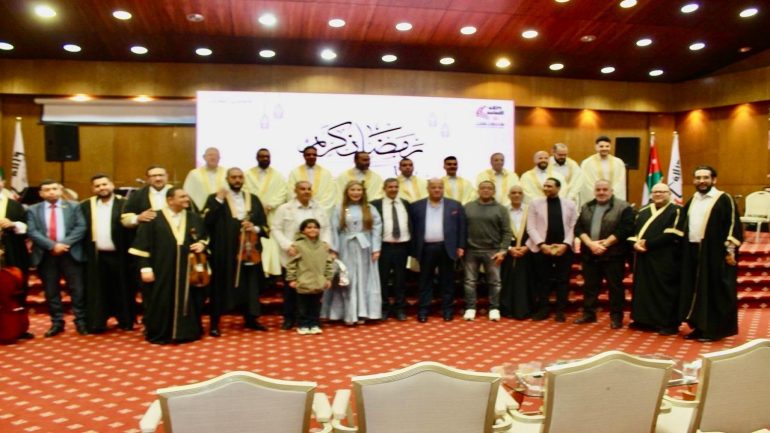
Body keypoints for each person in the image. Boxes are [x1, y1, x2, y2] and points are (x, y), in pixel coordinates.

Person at [129, 187, 207, 344]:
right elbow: (141, 246)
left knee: (189, 300)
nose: (187, 199)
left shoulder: (194, 217)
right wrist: (145, 267)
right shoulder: (153, 218)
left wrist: (201, 244)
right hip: (161, 269)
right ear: (170, 200)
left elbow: (204, 237)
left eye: (187, 196)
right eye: (182, 197)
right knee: (160, 300)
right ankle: (161, 333)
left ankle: (186, 332)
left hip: (188, 270)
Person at [679, 165, 743, 342]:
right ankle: (698, 327)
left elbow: (733, 225)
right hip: (693, 251)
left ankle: (714, 331)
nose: (701, 181)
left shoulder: (724, 198)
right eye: (698, 178)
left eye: (705, 178)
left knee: (714, 292)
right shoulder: (692, 200)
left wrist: (730, 251)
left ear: (714, 180)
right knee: (697, 291)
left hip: (715, 254)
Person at [204, 168, 269, 336]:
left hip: (248, 250)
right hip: (224, 249)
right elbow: (207, 221)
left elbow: (264, 226)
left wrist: (253, 227)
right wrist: (218, 200)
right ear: (227, 179)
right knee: (220, 285)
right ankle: (215, 323)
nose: (237, 180)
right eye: (233, 177)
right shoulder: (215, 198)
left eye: (240, 177)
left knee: (250, 284)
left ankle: (251, 319)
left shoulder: (253, 199)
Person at [27, 180, 87, 337]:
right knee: (51, 291)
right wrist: (52, 246)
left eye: (54, 188)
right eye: (47, 190)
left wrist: (63, 244)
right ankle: (57, 322)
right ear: (41, 193)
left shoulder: (74, 206)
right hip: (46, 255)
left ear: (61, 191)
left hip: (71, 253)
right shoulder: (33, 210)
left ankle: (81, 321)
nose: (51, 192)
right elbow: (32, 231)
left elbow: (81, 227)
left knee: (77, 289)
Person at [574, 179, 635, 329]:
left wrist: (604, 244)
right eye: (598, 189)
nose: (601, 192)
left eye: (605, 189)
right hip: (590, 253)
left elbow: (625, 229)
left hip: (613, 255)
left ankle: (616, 318)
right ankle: (589, 314)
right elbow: (578, 228)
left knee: (615, 287)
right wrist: (590, 244)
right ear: (594, 191)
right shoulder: (587, 206)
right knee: (590, 286)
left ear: (611, 191)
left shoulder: (624, 207)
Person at [272, 181, 331, 330]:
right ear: (295, 190)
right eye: (302, 189)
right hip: (292, 254)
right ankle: (289, 318)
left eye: (309, 189)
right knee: (291, 289)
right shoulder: (284, 208)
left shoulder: (319, 209)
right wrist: (287, 245)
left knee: (313, 289)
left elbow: (326, 228)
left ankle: (310, 319)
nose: (306, 191)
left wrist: (325, 243)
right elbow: (276, 229)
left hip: (313, 255)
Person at [322, 180, 382, 324]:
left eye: (359, 190)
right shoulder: (339, 209)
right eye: (353, 190)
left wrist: (376, 248)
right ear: (347, 192)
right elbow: (334, 229)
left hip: (365, 247)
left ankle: (364, 312)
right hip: (346, 246)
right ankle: (346, 313)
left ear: (363, 192)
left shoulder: (370, 208)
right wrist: (334, 250)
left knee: (364, 278)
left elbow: (377, 228)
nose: (356, 193)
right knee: (347, 277)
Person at [80, 174, 133, 333]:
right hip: (96, 255)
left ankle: (125, 321)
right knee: (98, 290)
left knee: (122, 288)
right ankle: (98, 322)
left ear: (112, 185)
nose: (101, 188)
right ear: (92, 189)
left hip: (120, 255)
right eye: (97, 186)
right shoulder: (86, 205)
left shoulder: (125, 204)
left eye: (104, 184)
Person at [628, 183, 683, 335]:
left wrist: (647, 244)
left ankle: (668, 323)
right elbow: (633, 233)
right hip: (643, 257)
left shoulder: (677, 211)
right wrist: (635, 244)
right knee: (643, 289)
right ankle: (644, 320)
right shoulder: (643, 211)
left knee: (664, 291)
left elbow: (672, 234)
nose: (658, 194)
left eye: (662, 192)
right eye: (655, 192)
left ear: (669, 194)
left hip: (665, 258)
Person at [411, 178, 466, 322]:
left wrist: (460, 246)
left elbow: (462, 228)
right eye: (433, 187)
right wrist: (414, 250)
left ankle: (447, 310)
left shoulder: (455, 205)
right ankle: (423, 311)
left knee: (447, 281)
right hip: (426, 249)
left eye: (440, 187)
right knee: (425, 281)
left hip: (447, 248)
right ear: (428, 189)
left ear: (443, 188)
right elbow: (412, 230)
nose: (437, 190)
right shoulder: (416, 206)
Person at [526, 178, 577, 322]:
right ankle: (543, 309)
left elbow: (574, 226)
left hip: (564, 249)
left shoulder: (570, 204)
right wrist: (542, 245)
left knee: (563, 280)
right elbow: (531, 227)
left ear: (558, 188)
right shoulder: (535, 203)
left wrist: (565, 245)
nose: (546, 188)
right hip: (542, 248)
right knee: (543, 280)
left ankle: (560, 311)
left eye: (549, 186)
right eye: (545, 186)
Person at [462, 181, 510, 321]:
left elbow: (507, 232)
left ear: (494, 191)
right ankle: (470, 308)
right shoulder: (468, 207)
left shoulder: (501, 209)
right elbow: (461, 229)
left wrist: (503, 250)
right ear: (478, 190)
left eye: (489, 188)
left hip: (493, 251)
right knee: (469, 281)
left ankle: (494, 308)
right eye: (483, 188)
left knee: (495, 282)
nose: (486, 190)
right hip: (471, 250)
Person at [371, 178, 412, 321]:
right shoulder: (375, 205)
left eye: (395, 187)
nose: (393, 189)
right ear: (384, 188)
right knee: (382, 279)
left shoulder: (405, 204)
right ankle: (384, 308)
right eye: (390, 187)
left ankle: (400, 308)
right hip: (384, 247)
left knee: (401, 280)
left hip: (402, 247)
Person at [286, 218, 334, 335]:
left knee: (316, 305)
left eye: (315, 227)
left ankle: (314, 324)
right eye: (309, 227)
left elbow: (328, 263)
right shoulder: (297, 245)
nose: (313, 230)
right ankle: (303, 324)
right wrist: (292, 278)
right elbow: (291, 264)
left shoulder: (323, 246)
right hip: (303, 281)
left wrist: (328, 278)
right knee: (303, 306)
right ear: (303, 230)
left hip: (318, 281)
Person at [244, 148, 287, 279]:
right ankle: (257, 271)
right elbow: (244, 191)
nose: (265, 159)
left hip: (272, 214)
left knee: (272, 243)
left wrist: (270, 205)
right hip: (253, 214)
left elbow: (283, 193)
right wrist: (257, 207)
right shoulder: (247, 174)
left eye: (267, 157)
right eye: (262, 157)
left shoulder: (278, 175)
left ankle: (271, 274)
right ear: (257, 158)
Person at [500, 185, 535, 320]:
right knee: (508, 281)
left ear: (523, 195)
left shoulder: (530, 210)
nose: (516, 195)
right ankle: (507, 309)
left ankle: (525, 310)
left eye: (519, 193)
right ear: (509, 195)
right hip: (508, 252)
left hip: (527, 251)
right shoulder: (502, 211)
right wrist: (509, 249)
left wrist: (527, 247)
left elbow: (538, 229)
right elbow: (497, 232)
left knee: (525, 281)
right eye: (513, 192)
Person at [0, 178, 30, 296]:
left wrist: (13, 224)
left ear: (3, 183)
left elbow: (27, 227)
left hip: (11, 249)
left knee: (13, 287)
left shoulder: (15, 205)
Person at [287, 146, 338, 213]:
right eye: (308, 155)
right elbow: (291, 192)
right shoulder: (295, 172)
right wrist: (301, 207)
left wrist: (319, 209)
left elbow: (330, 194)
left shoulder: (326, 173)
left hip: (320, 211)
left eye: (314, 155)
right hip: (299, 211)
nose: (311, 157)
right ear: (304, 156)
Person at [579, 136, 626, 204]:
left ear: (610, 147)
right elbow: (586, 183)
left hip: (612, 198)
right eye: (601, 146)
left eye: (607, 146)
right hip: (595, 199)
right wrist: (599, 193)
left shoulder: (618, 162)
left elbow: (620, 182)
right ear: (596, 147)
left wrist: (609, 194)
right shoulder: (587, 163)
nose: (604, 148)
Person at [183, 147, 227, 211]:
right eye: (210, 155)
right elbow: (188, 192)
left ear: (219, 158)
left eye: (216, 155)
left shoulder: (226, 173)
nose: (213, 157)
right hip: (201, 210)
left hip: (223, 209)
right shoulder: (194, 174)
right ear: (204, 157)